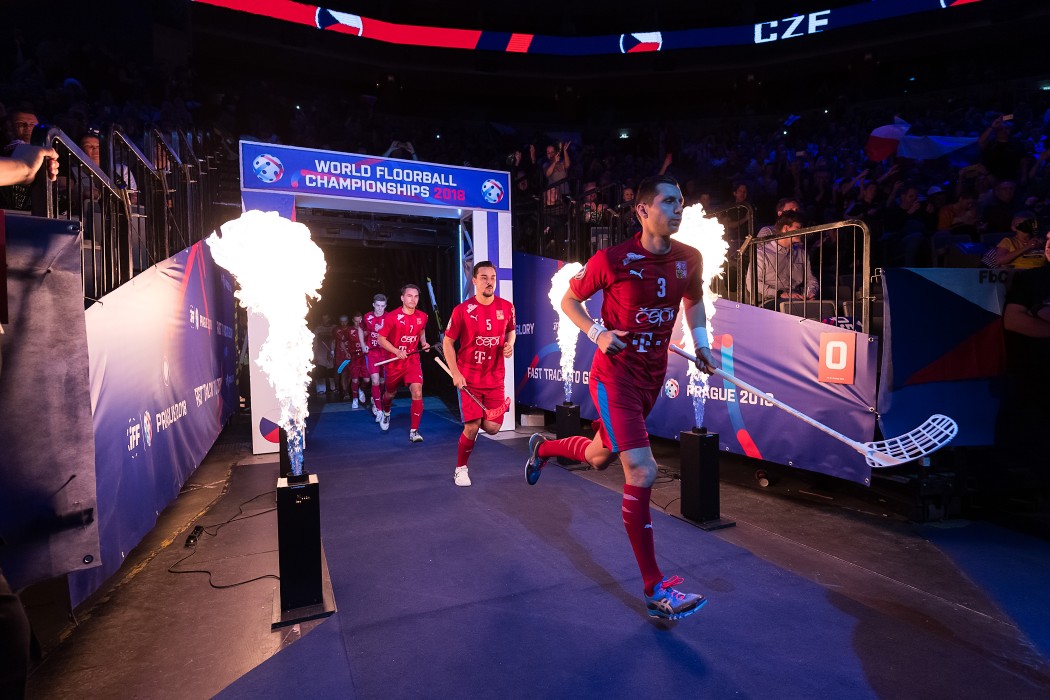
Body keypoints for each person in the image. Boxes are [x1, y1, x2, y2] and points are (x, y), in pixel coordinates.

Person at [523, 175, 717, 621]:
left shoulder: (690, 258)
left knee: (598, 458)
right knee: (643, 469)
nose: (677, 208)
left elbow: (694, 301)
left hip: (650, 378)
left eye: (681, 201)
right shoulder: (614, 259)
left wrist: (702, 345)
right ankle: (655, 588)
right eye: (668, 201)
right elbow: (570, 301)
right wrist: (598, 332)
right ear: (642, 211)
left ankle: (545, 448)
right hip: (614, 378)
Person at [441, 261, 516, 487]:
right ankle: (461, 469)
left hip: (494, 377)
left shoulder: (507, 306)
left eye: (492, 277)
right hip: (469, 377)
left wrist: (509, 344)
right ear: (474, 281)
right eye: (484, 277)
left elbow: (511, 331)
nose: (489, 282)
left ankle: (480, 414)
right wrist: (455, 372)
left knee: (493, 428)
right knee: (472, 425)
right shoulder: (462, 310)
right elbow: (447, 342)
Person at [376, 284, 431, 439]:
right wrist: (396, 351)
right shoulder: (391, 317)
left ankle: (414, 431)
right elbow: (381, 339)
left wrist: (424, 343)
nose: (413, 299)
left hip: (412, 360)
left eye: (416, 296)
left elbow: (421, 329)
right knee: (390, 393)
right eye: (409, 295)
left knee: (417, 391)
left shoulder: (423, 316)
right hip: (394, 362)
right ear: (402, 298)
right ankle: (386, 412)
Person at [746, 211, 819, 308]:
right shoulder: (762, 253)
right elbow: (752, 284)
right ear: (785, 228)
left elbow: (811, 279)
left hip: (797, 298)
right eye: (798, 228)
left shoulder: (801, 252)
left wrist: (809, 293)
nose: (802, 232)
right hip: (771, 300)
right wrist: (780, 294)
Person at [361, 294, 390, 420]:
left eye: (382, 306)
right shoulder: (367, 316)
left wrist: (382, 330)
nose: (379, 309)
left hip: (385, 353)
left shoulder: (389, 317)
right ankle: (378, 410)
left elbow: (394, 334)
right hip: (372, 353)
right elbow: (360, 329)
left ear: (385, 306)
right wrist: (363, 344)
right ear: (373, 305)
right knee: (375, 380)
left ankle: (375, 397)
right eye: (377, 306)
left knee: (383, 382)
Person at [348, 311, 370, 408]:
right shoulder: (349, 330)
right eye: (356, 321)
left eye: (360, 321)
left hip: (364, 357)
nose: (358, 323)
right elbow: (342, 342)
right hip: (354, 357)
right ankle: (355, 399)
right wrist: (345, 352)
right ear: (353, 321)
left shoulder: (367, 330)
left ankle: (361, 390)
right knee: (355, 380)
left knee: (367, 380)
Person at [311, 313, 336, 397]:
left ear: (329, 318)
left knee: (331, 372)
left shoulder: (334, 328)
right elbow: (314, 342)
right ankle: (321, 390)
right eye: (323, 318)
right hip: (320, 355)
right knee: (320, 372)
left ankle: (333, 388)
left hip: (332, 354)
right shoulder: (318, 329)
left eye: (327, 318)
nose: (325, 320)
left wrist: (333, 351)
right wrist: (313, 354)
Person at [332, 315, 356, 401]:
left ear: (348, 321)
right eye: (341, 321)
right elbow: (340, 340)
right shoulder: (337, 330)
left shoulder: (351, 329)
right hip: (340, 355)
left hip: (351, 354)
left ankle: (346, 390)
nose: (343, 323)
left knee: (349, 373)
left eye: (345, 321)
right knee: (342, 372)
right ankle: (343, 391)